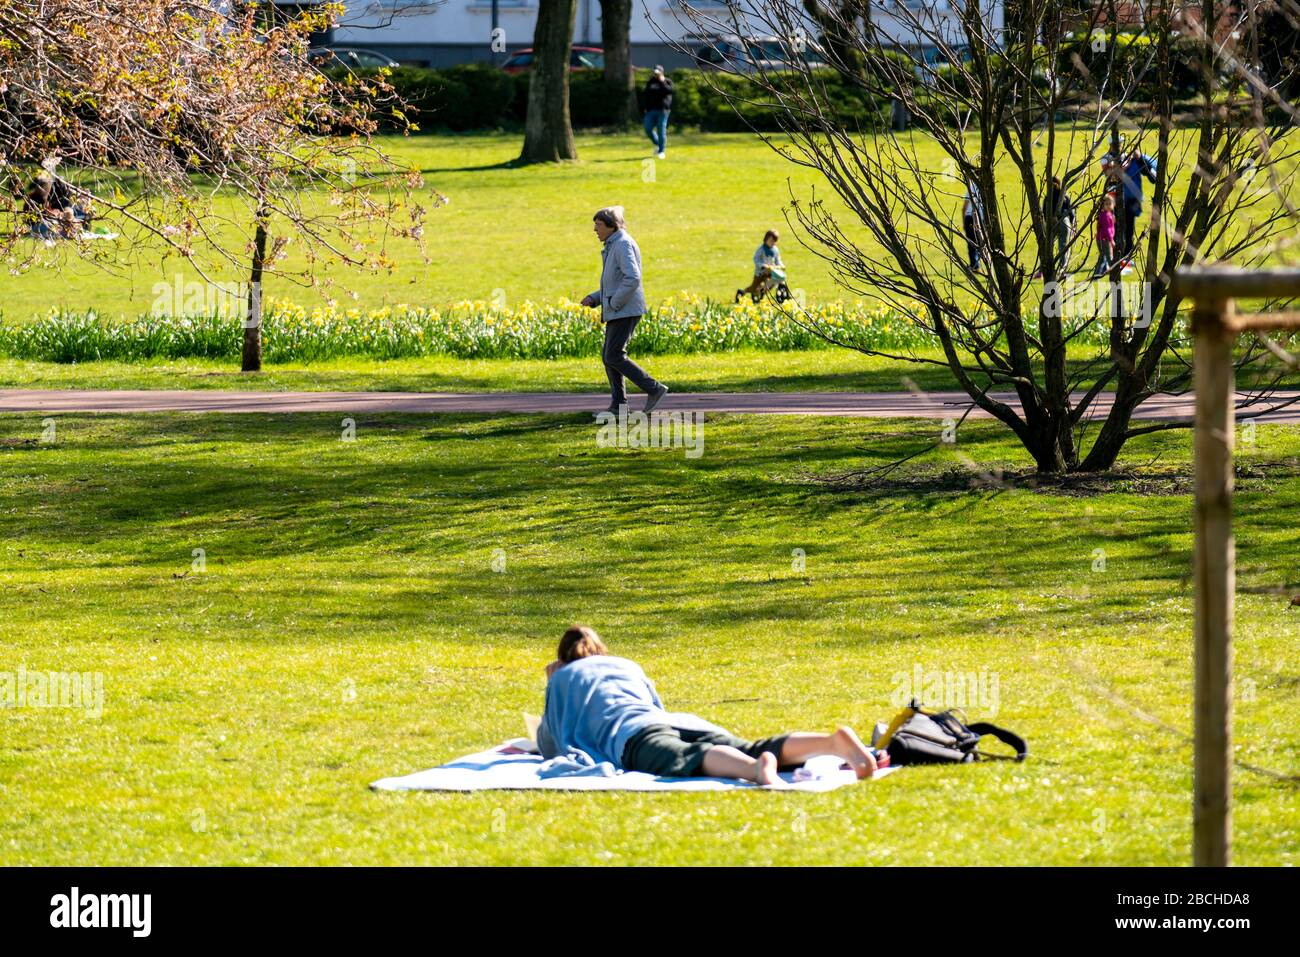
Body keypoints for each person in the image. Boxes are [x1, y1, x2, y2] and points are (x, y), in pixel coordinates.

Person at [537, 625, 881, 785]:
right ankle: (831, 744)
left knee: (683, 757)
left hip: (633, 736)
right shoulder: (627, 665)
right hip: (676, 720)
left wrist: (552, 681)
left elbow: (551, 740)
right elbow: (654, 704)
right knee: (750, 745)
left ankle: (753, 770)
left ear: (562, 657)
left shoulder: (563, 680)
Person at [579, 206, 669, 415]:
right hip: (620, 309)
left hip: (625, 310)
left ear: (612, 226)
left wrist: (614, 303)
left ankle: (653, 388)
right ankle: (619, 406)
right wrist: (596, 298)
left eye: (598, 224)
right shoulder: (614, 245)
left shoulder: (622, 244)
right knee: (609, 356)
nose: (595, 229)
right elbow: (616, 282)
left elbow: (633, 278)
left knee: (613, 355)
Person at [1102, 145, 1157, 267]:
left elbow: (1153, 172)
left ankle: (1126, 259)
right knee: (1116, 231)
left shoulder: (1135, 160)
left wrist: (1140, 157)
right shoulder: (1110, 161)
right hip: (1116, 201)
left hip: (1131, 201)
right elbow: (1107, 173)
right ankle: (1117, 258)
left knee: (1129, 231)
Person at [735, 229, 784, 302]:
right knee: (753, 287)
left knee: (773, 281)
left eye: (774, 241)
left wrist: (781, 265)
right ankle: (742, 292)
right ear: (766, 239)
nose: (772, 243)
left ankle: (762, 293)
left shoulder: (775, 250)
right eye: (771, 241)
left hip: (771, 271)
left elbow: (777, 259)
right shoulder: (761, 249)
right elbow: (756, 259)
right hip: (760, 272)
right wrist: (763, 265)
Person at [1043, 174, 1076, 277]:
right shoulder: (1064, 196)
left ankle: (1043, 269)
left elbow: (1044, 211)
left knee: (1047, 247)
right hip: (1063, 221)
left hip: (1051, 223)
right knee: (1063, 247)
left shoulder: (1048, 197)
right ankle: (1062, 270)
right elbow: (1071, 212)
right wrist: (1072, 223)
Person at [642, 66, 673, 161]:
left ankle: (661, 151)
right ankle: (657, 144)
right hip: (651, 110)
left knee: (661, 130)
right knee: (648, 129)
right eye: (655, 73)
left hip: (663, 110)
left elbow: (669, 91)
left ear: (662, 72)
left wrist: (662, 81)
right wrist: (645, 107)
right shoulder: (650, 82)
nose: (656, 74)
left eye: (658, 73)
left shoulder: (667, 81)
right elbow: (646, 95)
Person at [962, 181, 985, 272]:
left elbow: (964, 207)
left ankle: (975, 265)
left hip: (970, 218)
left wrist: (963, 222)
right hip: (981, 218)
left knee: (971, 242)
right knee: (981, 242)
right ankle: (981, 263)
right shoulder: (985, 188)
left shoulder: (971, 188)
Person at [1093, 192, 1117, 279]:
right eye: (1106, 204)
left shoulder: (1107, 214)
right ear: (1103, 205)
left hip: (1102, 239)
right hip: (1104, 239)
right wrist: (1111, 240)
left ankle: (1098, 274)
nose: (1108, 206)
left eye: (1110, 204)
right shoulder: (1105, 215)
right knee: (1109, 257)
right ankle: (1114, 273)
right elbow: (1107, 230)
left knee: (1102, 257)